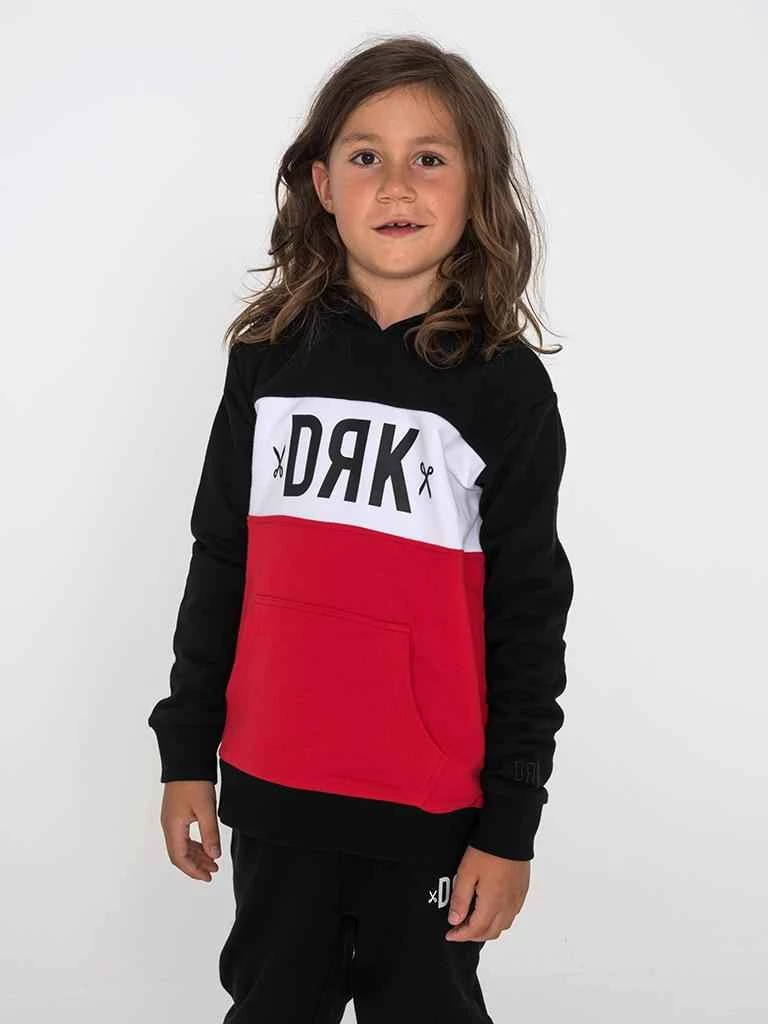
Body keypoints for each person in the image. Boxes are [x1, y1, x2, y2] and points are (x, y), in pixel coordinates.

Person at [147, 34, 574, 1024]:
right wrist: (186, 751)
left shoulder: (505, 389)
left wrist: (510, 824)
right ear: (322, 184)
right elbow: (220, 562)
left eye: (430, 156)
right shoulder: (267, 362)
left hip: (430, 806)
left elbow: (528, 616)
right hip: (274, 788)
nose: (396, 184)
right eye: (365, 154)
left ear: (477, 186)